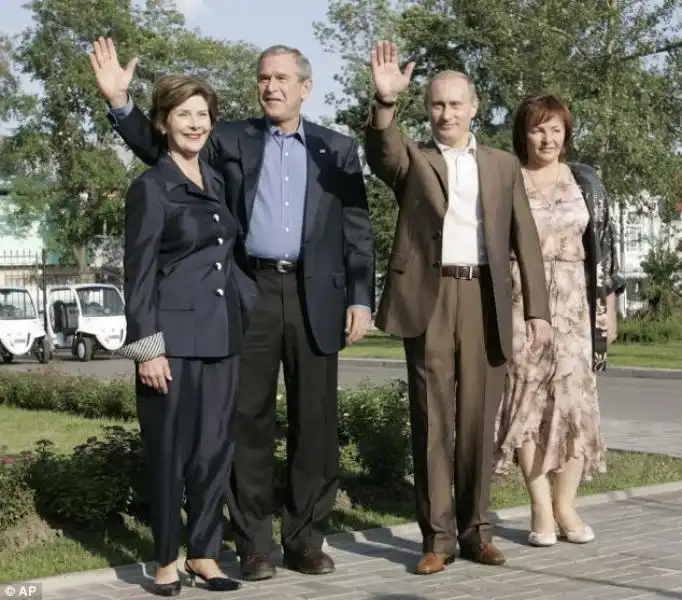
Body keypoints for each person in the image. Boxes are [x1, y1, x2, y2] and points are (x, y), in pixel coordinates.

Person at [89, 38, 375, 580]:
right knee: (246, 421)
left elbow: (357, 230)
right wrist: (122, 106)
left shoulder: (336, 148)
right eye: (263, 78)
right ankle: (253, 544)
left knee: (315, 423)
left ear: (305, 87)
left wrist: (361, 296)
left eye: (281, 78)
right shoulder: (229, 139)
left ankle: (307, 539)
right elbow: (166, 154)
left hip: (319, 296)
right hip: (249, 291)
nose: (270, 86)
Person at [364, 41, 552, 575]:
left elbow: (525, 238)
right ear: (428, 110)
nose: (445, 114)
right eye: (436, 105)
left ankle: (477, 532)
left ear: (474, 107)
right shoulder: (413, 159)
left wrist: (537, 308)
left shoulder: (502, 164)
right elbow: (382, 150)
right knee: (432, 422)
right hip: (431, 296)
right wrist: (384, 102)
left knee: (476, 422)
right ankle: (438, 538)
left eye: (455, 104)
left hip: (485, 296)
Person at [117, 74, 256, 596]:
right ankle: (165, 562)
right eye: (183, 115)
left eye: (202, 115)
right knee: (169, 453)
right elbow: (140, 274)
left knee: (214, 452)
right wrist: (147, 348)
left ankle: (204, 554)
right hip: (170, 345)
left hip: (222, 338)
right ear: (163, 123)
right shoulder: (151, 187)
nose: (195, 124)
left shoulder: (217, 180)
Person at [493, 93, 626, 547]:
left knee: (574, 407)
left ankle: (567, 504)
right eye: (537, 128)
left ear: (566, 133)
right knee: (526, 406)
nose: (546, 138)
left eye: (554, 129)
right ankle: (540, 507)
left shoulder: (585, 180)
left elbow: (605, 249)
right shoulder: (507, 177)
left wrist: (609, 309)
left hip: (576, 304)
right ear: (523, 134)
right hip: (521, 301)